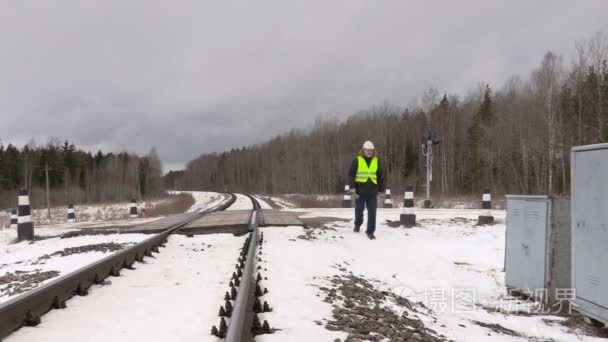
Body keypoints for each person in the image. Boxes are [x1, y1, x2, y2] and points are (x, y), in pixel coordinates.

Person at [348, 140, 385, 239]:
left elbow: (380, 176)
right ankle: (357, 224)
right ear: (363, 150)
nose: (369, 152)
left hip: (373, 191)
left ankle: (370, 231)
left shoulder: (376, 161)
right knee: (359, 210)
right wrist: (352, 187)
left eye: (371, 150)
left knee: (372, 212)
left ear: (373, 151)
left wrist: (381, 190)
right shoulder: (357, 160)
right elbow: (351, 175)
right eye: (367, 150)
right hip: (360, 191)